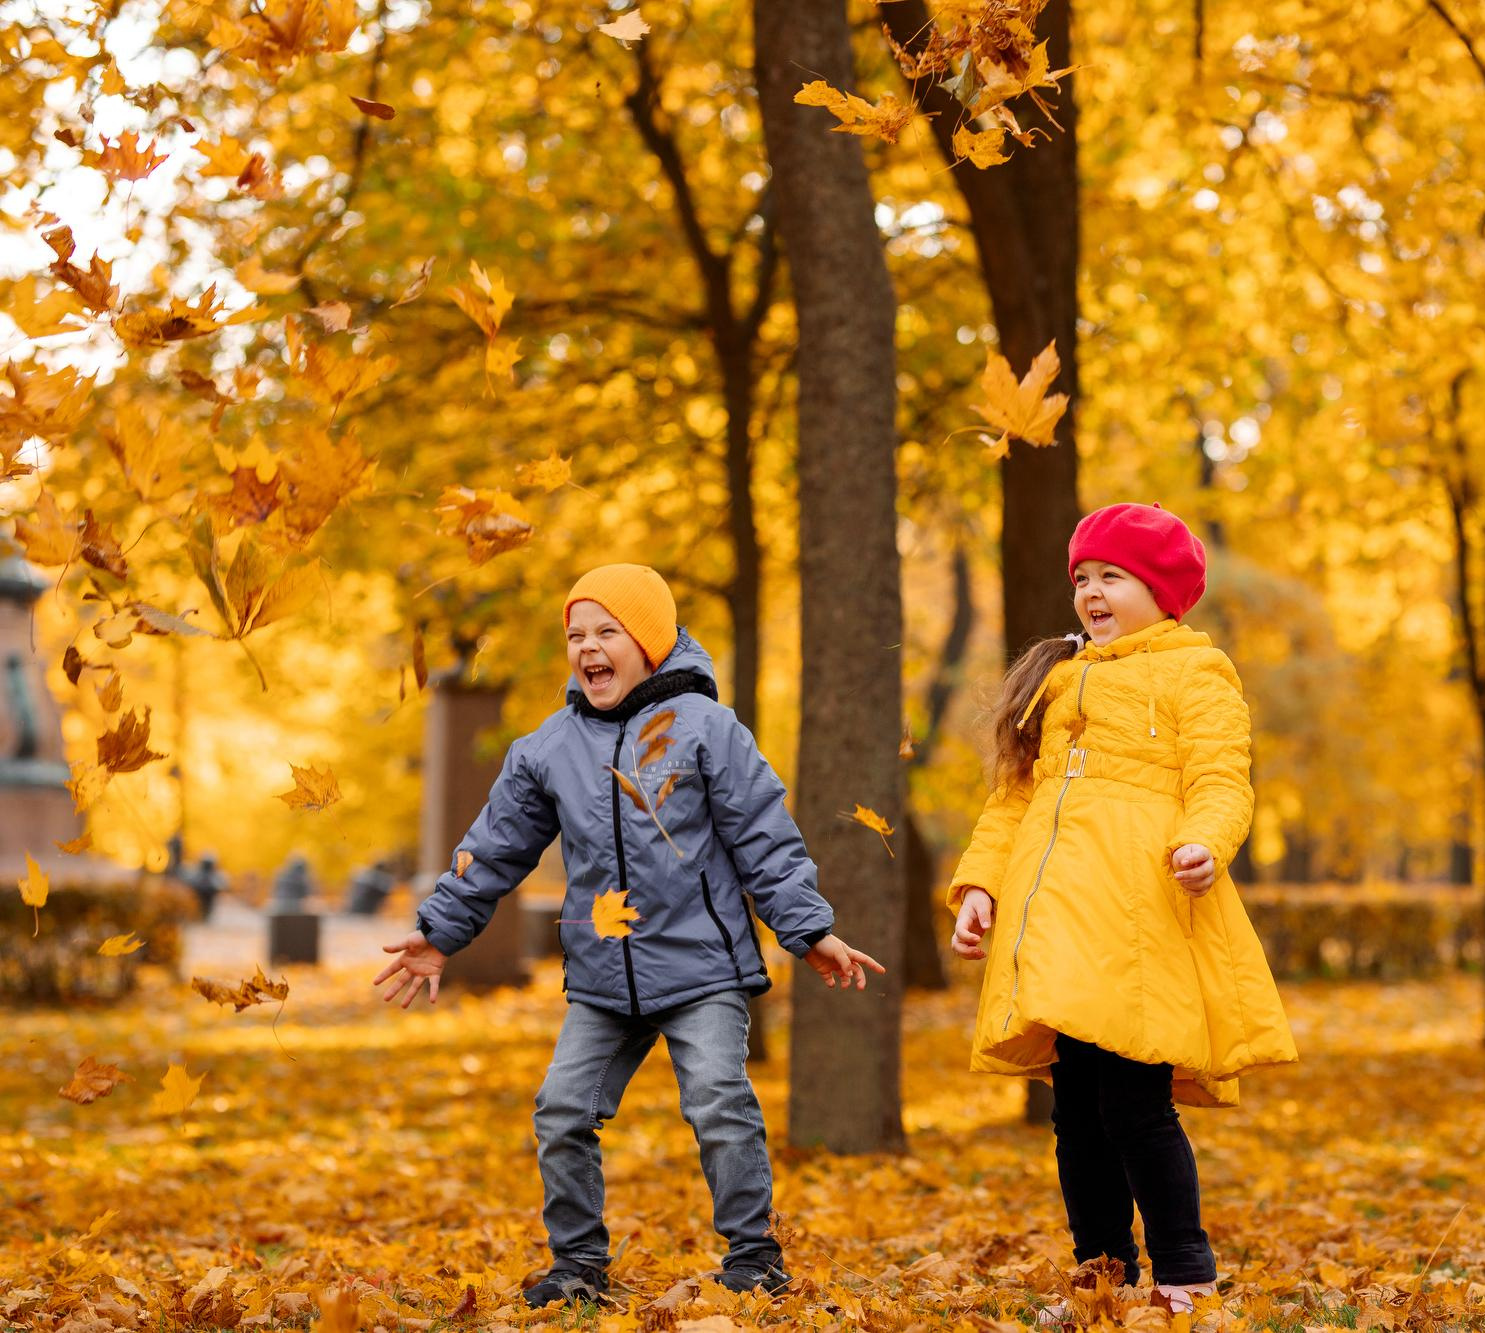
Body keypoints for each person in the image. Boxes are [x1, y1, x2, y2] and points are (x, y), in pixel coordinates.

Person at [373, 563, 882, 1308]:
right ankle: (578, 1262)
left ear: (650, 640)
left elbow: (764, 837)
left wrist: (808, 928)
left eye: (608, 630)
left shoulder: (709, 729)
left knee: (717, 1097)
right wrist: (439, 931)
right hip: (604, 977)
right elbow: (493, 848)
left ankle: (754, 1253)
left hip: (702, 967)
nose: (589, 647)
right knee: (561, 1110)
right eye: (576, 634)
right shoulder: (549, 747)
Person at [948, 503, 1298, 1317]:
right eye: (1082, 578)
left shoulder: (1195, 672)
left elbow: (1220, 776)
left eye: (1112, 577)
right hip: (1058, 927)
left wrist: (1208, 840)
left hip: (1138, 920)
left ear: (1162, 591)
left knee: (1135, 1104)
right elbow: (1011, 802)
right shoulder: (1056, 678)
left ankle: (1185, 1269)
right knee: (1075, 1113)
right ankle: (1102, 1271)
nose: (1092, 592)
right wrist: (979, 888)